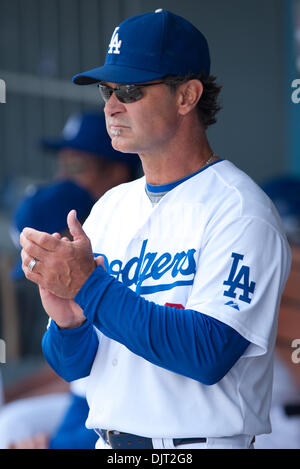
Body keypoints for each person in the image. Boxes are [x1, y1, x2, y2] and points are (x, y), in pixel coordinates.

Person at [20, 10, 291, 450]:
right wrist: (68, 323)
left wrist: (89, 287)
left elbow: (208, 353)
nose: (111, 105)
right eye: (108, 91)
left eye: (130, 90)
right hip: (111, 443)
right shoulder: (110, 207)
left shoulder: (240, 210)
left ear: (187, 96)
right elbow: (76, 369)